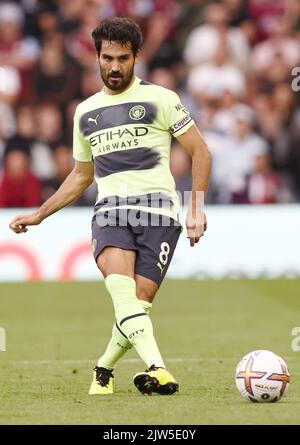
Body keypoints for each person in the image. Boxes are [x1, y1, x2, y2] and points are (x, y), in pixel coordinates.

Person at [9, 17, 212, 396]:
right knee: (122, 293)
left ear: (136, 56)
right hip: (112, 214)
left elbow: (200, 151)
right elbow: (81, 175)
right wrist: (40, 213)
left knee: (138, 305)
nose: (114, 67)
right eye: (107, 58)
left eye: (122, 58)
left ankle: (103, 370)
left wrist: (196, 208)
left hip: (161, 214)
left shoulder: (162, 99)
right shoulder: (85, 112)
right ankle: (159, 369)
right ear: (96, 57)